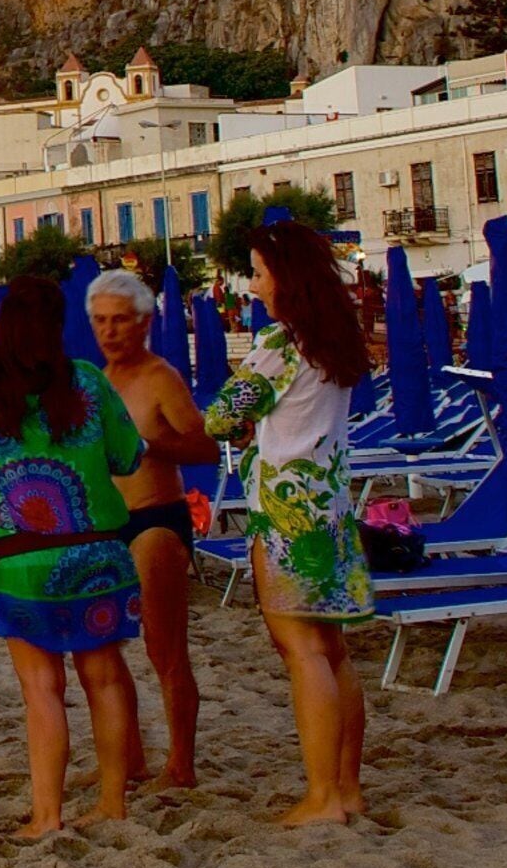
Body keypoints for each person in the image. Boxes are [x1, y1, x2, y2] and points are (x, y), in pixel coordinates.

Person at [0, 274, 146, 838]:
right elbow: (129, 458)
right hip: (99, 557)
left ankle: (47, 815)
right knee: (104, 679)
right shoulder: (88, 382)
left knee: (42, 691)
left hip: (23, 560)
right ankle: (112, 803)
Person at [204, 215, 374, 828]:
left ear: (285, 278)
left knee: (302, 652)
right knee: (331, 651)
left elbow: (221, 417)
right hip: (330, 507)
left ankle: (322, 795)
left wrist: (238, 413)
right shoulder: (334, 342)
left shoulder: (279, 347)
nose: (253, 286)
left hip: (284, 513)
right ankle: (347, 788)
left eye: (257, 273)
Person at [88, 268, 217, 788]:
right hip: (108, 524)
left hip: (156, 516)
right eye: (100, 321)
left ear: (142, 323)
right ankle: (132, 758)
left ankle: (180, 765)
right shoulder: (97, 380)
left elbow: (205, 447)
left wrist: (148, 447)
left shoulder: (159, 378)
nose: (110, 331)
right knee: (104, 648)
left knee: (164, 647)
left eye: (120, 320)